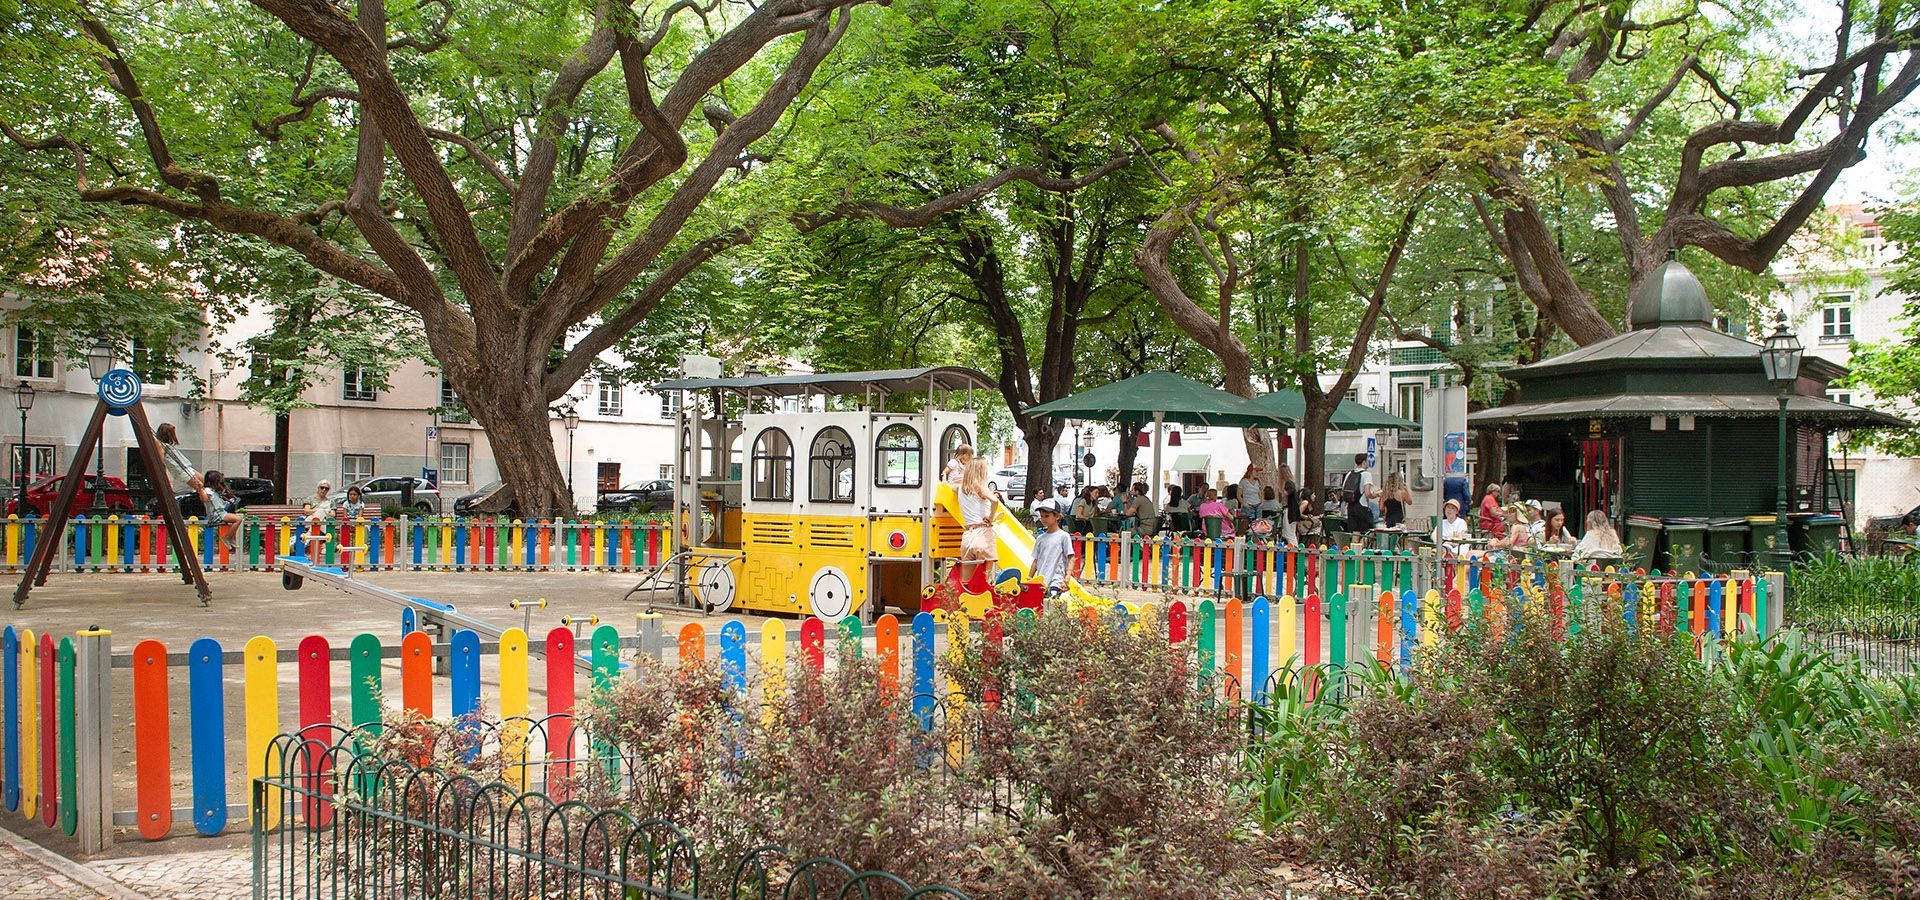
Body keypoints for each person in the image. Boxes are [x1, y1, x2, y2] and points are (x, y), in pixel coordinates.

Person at [957, 458, 998, 583]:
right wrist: (990, 517)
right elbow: (994, 501)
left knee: (966, 582)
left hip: (968, 536)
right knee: (983, 581)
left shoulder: (960, 489)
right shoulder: (981, 488)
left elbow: (950, 486)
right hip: (982, 532)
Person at [1030, 502, 1077, 596]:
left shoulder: (1063, 536)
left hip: (1056, 580)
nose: (1043, 519)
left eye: (1047, 516)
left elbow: (1071, 557)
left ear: (1057, 517)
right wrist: (1030, 578)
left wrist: (1067, 577)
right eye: (1042, 516)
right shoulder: (1040, 538)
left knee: (1051, 600)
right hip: (1041, 580)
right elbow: (1036, 561)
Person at [153, 423, 202, 491]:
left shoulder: (166, 445)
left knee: (205, 482)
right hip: (180, 470)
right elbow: (161, 460)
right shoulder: (162, 446)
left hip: (185, 467)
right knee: (201, 488)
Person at [202, 470, 242, 552]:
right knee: (238, 519)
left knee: (235, 521)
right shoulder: (208, 491)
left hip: (220, 512)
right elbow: (205, 498)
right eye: (218, 483)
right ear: (212, 483)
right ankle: (227, 537)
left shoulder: (213, 491)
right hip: (218, 515)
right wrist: (200, 489)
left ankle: (231, 538)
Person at [1340, 454, 1376, 518]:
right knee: (1363, 527)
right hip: (1361, 506)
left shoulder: (1349, 473)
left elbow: (1343, 492)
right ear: (1364, 462)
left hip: (1350, 506)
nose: (1368, 463)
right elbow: (1367, 493)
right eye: (1368, 461)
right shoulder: (1366, 474)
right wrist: (1375, 495)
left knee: (1352, 527)